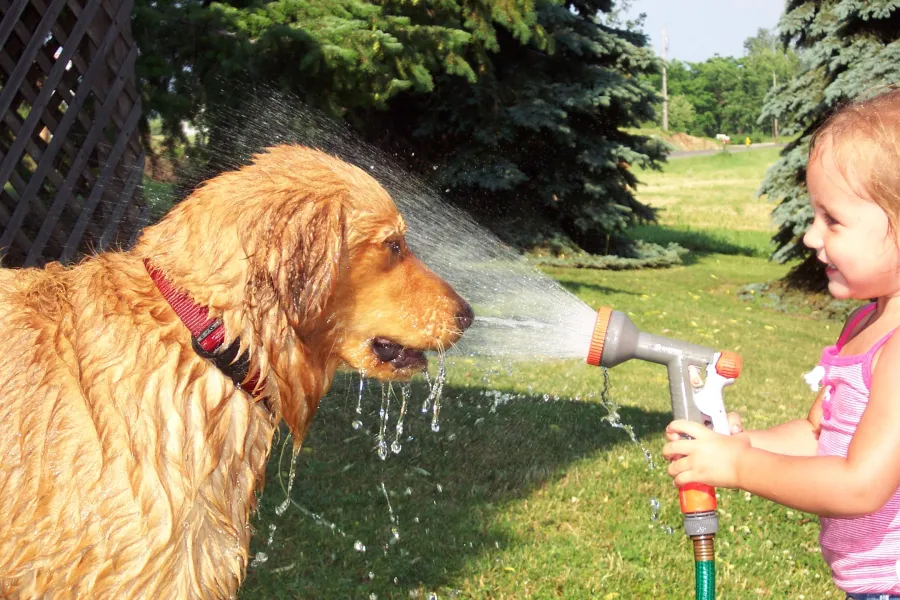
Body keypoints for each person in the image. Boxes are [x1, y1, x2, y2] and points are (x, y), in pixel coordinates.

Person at [663, 87, 900, 600]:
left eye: (833, 220)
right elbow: (818, 435)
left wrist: (740, 467)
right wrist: (736, 444)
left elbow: (862, 486)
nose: (812, 237)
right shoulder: (864, 324)